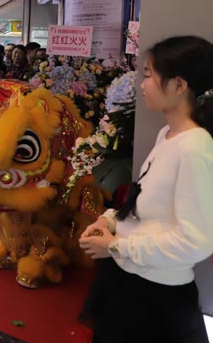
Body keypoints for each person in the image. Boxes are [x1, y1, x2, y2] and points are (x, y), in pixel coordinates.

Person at [79, 35, 213, 343]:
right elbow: (148, 206)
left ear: (179, 86)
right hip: (133, 282)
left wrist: (116, 246)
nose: (142, 84)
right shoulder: (168, 134)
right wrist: (110, 221)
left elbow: (197, 241)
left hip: (157, 297)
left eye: (150, 75)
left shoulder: (194, 147)